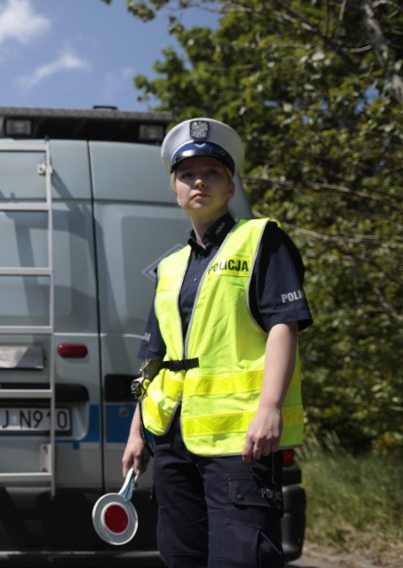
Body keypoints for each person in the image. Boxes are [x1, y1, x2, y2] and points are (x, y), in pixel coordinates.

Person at [121, 118, 312, 567]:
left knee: (240, 559)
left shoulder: (262, 240)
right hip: (172, 441)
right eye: (188, 175)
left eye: (211, 173)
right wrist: (137, 433)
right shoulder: (170, 267)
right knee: (180, 557)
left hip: (241, 443)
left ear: (230, 186)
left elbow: (286, 324)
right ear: (175, 188)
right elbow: (156, 360)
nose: (198, 182)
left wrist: (269, 408)